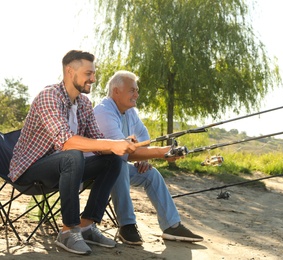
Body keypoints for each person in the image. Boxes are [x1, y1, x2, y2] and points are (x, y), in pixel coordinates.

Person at [8, 50, 137, 255]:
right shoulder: (49, 96)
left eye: (94, 73)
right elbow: (66, 142)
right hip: (30, 170)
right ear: (70, 71)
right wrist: (110, 144)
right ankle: (68, 232)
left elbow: (97, 142)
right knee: (73, 154)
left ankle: (86, 226)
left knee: (112, 159)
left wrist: (120, 143)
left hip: (64, 169)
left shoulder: (85, 103)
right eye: (88, 74)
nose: (93, 79)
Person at [94, 70, 203, 245]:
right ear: (116, 91)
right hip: (92, 171)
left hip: (114, 168)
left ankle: (172, 226)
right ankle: (127, 225)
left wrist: (144, 159)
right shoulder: (104, 112)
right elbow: (121, 151)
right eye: (132, 90)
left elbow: (144, 137)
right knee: (118, 163)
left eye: (137, 90)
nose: (137, 94)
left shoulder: (129, 112)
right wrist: (162, 152)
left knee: (151, 175)